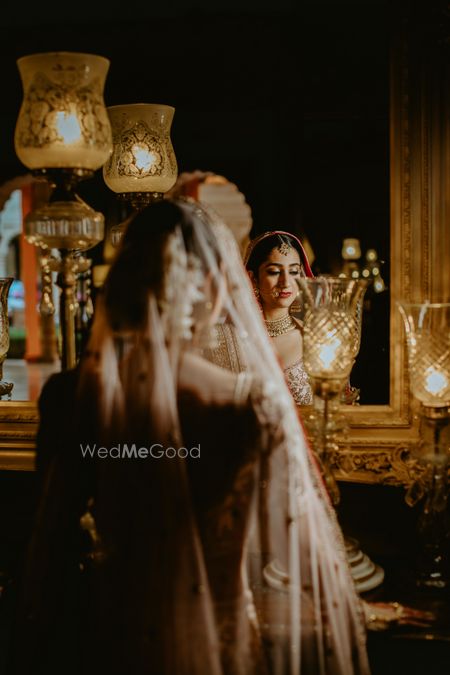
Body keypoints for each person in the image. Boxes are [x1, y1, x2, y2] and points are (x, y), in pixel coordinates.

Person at [12, 199, 370, 675]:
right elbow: (300, 556)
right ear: (220, 290)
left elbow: (50, 552)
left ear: (123, 282)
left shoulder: (69, 397)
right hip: (220, 643)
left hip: (108, 634)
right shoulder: (250, 403)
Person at [244, 231, 314, 406]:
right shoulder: (233, 339)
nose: (286, 282)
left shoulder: (315, 339)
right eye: (274, 271)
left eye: (294, 271)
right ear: (253, 278)